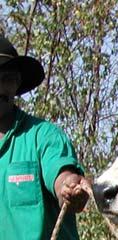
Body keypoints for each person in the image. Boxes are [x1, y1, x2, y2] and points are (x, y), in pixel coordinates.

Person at [0, 35, 89, 239]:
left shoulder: (44, 136)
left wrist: (69, 188)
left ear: (17, 84)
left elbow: (61, 178)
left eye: (6, 79)